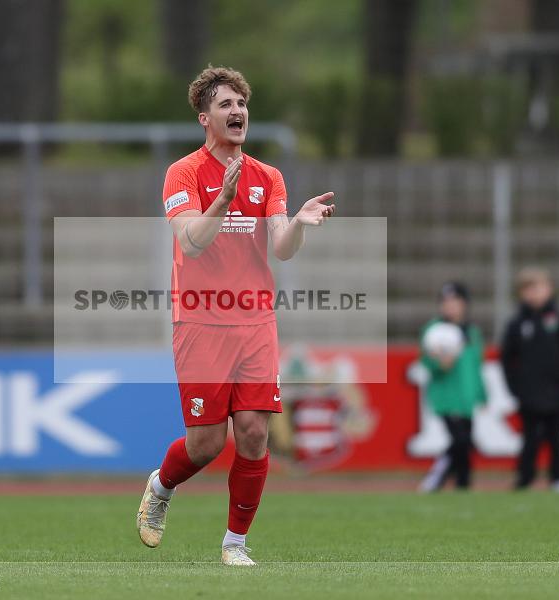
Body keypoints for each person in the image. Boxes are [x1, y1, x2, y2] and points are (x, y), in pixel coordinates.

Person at [136, 65, 336, 566]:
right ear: (205, 116)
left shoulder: (268, 176)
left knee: (253, 432)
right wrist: (222, 199)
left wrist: (300, 224)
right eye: (226, 104)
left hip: (254, 321)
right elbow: (191, 241)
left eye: (242, 104)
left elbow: (283, 249)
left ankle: (235, 544)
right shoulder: (181, 173)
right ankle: (161, 486)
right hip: (200, 321)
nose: (237, 111)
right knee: (205, 445)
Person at [500, 267, 559, 491]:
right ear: (521, 293)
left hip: (558, 391)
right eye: (529, 289)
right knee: (530, 437)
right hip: (529, 392)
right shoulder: (517, 324)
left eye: (539, 288)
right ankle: (525, 476)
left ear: (549, 289)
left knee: (556, 436)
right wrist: (515, 387)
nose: (534, 294)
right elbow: (507, 358)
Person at [418, 282, 487, 492]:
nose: (449, 307)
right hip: (446, 396)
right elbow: (427, 361)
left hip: (466, 397)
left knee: (465, 444)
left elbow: (476, 366)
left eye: (454, 302)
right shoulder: (434, 330)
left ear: (464, 304)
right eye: (445, 302)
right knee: (461, 440)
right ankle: (438, 476)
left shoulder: (472, 331)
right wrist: (440, 364)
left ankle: (463, 484)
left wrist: (481, 394)